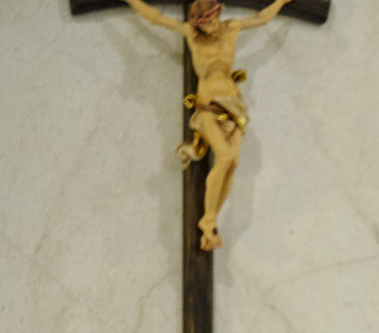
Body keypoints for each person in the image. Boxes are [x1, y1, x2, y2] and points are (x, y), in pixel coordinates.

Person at [117, 0, 292, 250]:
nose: (214, 25)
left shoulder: (231, 27)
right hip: (207, 106)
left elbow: (263, 18)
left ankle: (210, 221)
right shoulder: (191, 35)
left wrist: (282, 1)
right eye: (207, 23)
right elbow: (155, 18)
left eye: (215, 18)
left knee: (232, 163)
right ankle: (208, 222)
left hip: (232, 107)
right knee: (222, 157)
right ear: (197, 25)